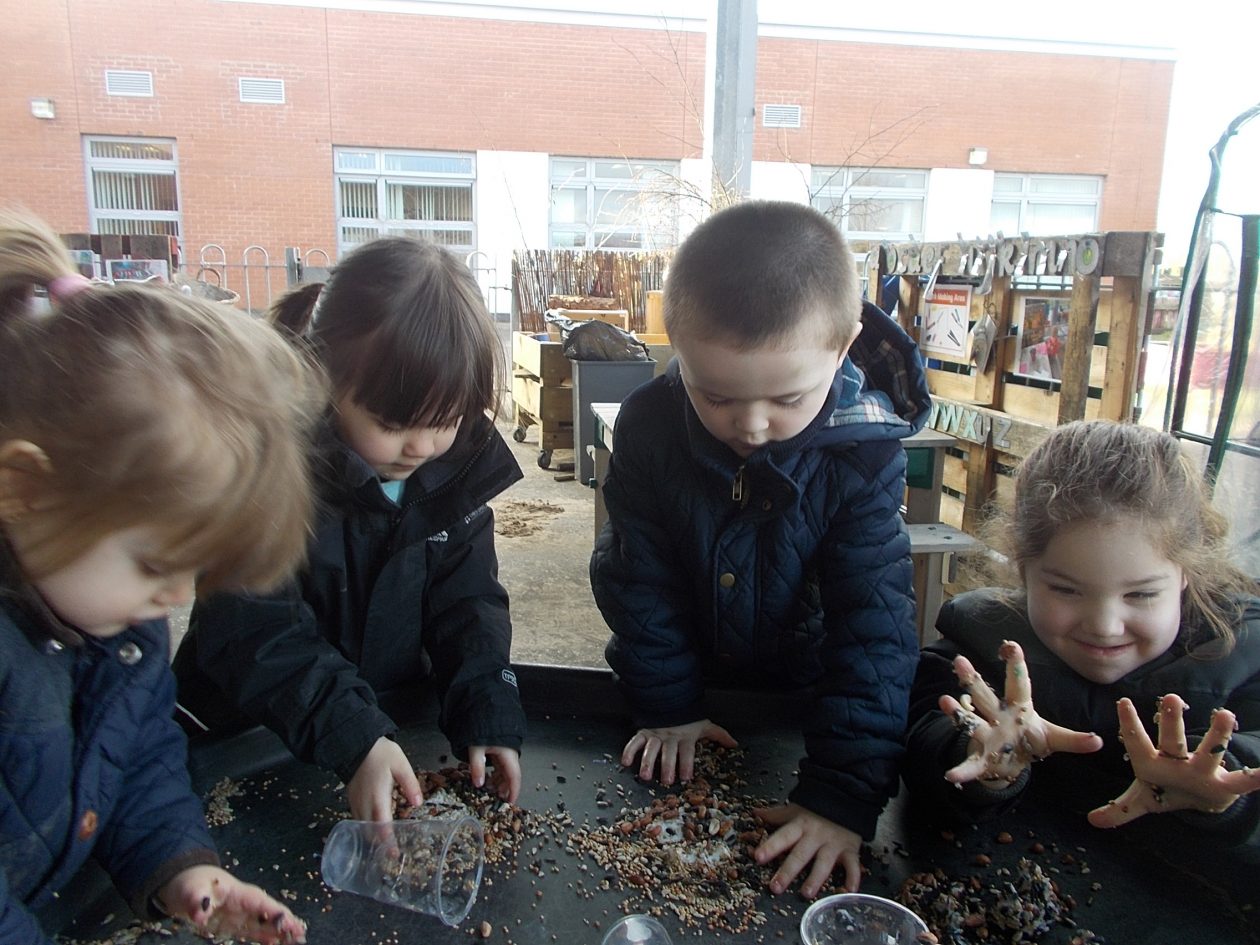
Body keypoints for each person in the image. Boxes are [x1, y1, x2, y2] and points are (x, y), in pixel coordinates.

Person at [590, 201, 931, 898]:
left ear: (843, 347)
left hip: (806, 705)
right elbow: (639, 577)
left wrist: (841, 794)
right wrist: (666, 702)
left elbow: (873, 628)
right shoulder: (651, 427)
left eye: (786, 397)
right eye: (714, 396)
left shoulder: (864, 453)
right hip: (687, 685)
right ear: (675, 344)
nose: (750, 424)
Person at [0, 210, 321, 943]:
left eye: (194, 569)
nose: (178, 598)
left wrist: (182, 868)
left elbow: (135, 755)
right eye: (155, 564)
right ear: (25, 490)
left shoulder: (117, 621)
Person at [174, 237, 527, 823]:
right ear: (325, 379)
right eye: (392, 424)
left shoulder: (451, 475)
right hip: (242, 742)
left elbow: (470, 607)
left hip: (383, 729)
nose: (421, 447)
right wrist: (353, 733)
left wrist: (487, 712)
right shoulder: (268, 471)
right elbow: (254, 632)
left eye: (444, 422)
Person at [904, 420, 1260, 861]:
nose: (1105, 626)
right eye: (1066, 590)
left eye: (1142, 594)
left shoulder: (1244, 661)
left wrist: (1228, 790)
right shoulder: (980, 649)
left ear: (1187, 574)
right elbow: (921, 734)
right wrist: (978, 754)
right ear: (1023, 570)